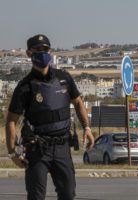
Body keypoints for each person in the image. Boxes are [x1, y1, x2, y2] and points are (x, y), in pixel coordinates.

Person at [5, 34, 94, 200]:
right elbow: (11, 121)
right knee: (36, 196)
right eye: (37, 50)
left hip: (62, 147)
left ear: (50, 51)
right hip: (37, 150)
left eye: (45, 49)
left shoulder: (64, 78)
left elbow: (79, 103)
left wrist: (87, 128)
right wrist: (12, 153)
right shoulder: (24, 86)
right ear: (29, 53)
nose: (42, 52)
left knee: (68, 194)